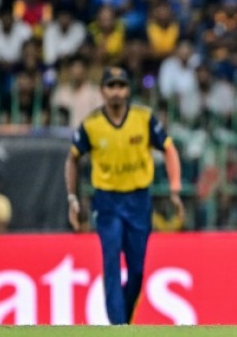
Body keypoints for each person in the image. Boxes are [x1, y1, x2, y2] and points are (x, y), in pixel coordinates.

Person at [64, 67, 184, 325]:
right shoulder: (92, 125)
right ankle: (117, 327)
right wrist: (72, 198)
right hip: (107, 201)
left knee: (138, 271)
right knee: (110, 262)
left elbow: (169, 149)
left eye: (121, 86)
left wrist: (175, 188)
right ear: (102, 91)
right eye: (111, 86)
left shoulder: (144, 118)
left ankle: (124, 323)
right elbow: (72, 158)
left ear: (128, 90)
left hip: (139, 200)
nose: (116, 92)